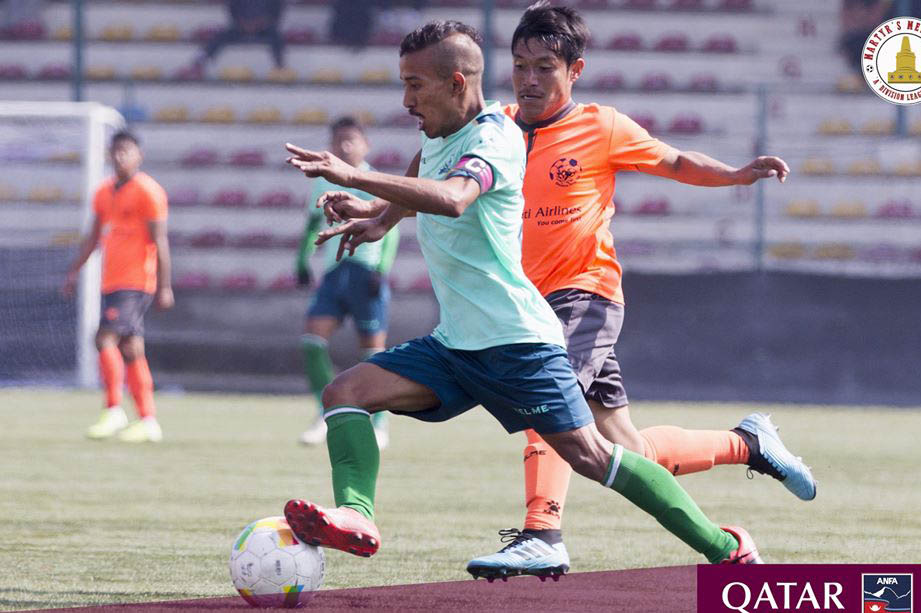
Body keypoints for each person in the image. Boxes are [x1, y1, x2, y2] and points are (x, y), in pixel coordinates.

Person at [281, 20, 762, 570]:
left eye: (416, 85)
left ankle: (727, 549)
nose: (406, 99)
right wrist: (380, 217)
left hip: (518, 342)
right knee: (345, 392)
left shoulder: (496, 137)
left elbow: (455, 196)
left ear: (456, 82)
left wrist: (356, 177)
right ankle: (357, 516)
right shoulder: (439, 129)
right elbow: (425, 170)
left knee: (594, 456)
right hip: (457, 345)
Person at [459, 1, 815, 579]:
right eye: (520, 64)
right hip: (527, 304)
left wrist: (735, 173)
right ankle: (747, 444)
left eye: (544, 66)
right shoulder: (495, 127)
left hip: (584, 294)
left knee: (546, 403)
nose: (528, 78)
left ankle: (540, 532)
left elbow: (674, 161)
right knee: (628, 448)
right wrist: (378, 214)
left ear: (575, 71)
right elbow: (442, 183)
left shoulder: (602, 125)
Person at [63, 130, 173, 443]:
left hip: (137, 281)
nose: (120, 156)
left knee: (104, 338)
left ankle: (113, 409)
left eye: (127, 151)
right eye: (116, 151)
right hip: (112, 280)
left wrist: (165, 286)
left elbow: (160, 241)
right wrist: (74, 271)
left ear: (139, 155)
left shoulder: (148, 191)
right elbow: (93, 237)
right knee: (130, 347)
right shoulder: (103, 193)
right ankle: (148, 420)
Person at [296, 116, 399, 449]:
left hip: (366, 271)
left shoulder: (374, 179)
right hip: (334, 272)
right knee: (312, 340)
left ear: (366, 144)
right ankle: (326, 413)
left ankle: (379, 422)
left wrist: (381, 269)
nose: (345, 146)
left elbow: (392, 226)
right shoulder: (322, 182)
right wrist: (301, 260)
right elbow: (312, 224)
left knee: (372, 352)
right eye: (338, 140)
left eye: (351, 140)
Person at [191, 0, 286, 74]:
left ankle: (279, 65)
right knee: (221, 35)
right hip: (241, 26)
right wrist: (242, 22)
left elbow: (277, 11)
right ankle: (203, 59)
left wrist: (263, 22)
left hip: (264, 27)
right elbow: (232, 8)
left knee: (276, 36)